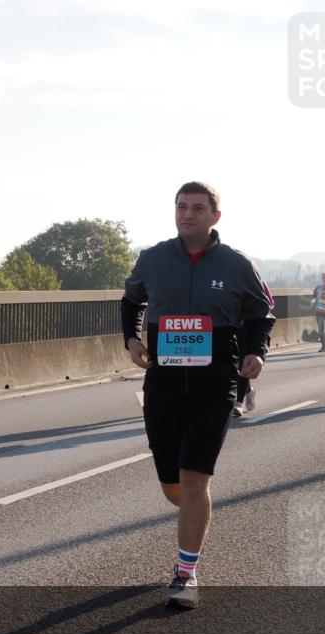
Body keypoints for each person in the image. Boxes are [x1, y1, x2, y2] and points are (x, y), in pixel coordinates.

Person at [122, 182, 274, 609]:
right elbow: (131, 301)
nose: (187, 214)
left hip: (216, 381)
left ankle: (186, 573)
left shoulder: (237, 264)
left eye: (197, 208)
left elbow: (262, 314)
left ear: (214, 217)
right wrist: (131, 342)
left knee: (194, 478)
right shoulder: (153, 259)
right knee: (172, 482)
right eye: (182, 207)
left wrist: (255, 353)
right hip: (165, 383)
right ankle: (193, 508)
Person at [233, 280, 275, 417]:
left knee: (243, 364)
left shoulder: (258, 282)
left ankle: (238, 403)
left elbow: (271, 304)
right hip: (230, 329)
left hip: (249, 329)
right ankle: (249, 390)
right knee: (233, 367)